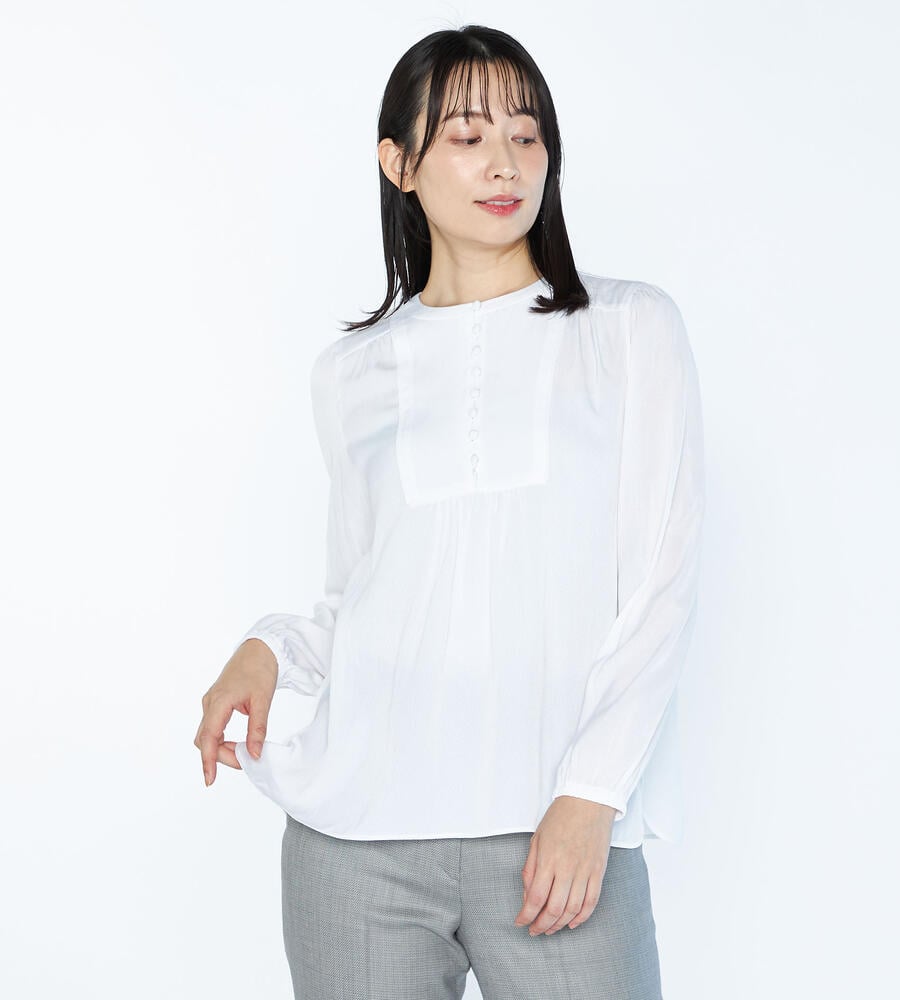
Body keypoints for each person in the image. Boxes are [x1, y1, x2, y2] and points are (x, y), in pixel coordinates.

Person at [195, 23, 705, 1000]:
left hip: (557, 832)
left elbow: (662, 586)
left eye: (526, 133)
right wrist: (268, 650)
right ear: (398, 163)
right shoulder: (351, 373)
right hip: (357, 844)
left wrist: (591, 793)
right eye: (468, 137)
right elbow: (366, 591)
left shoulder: (631, 330)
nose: (505, 162)